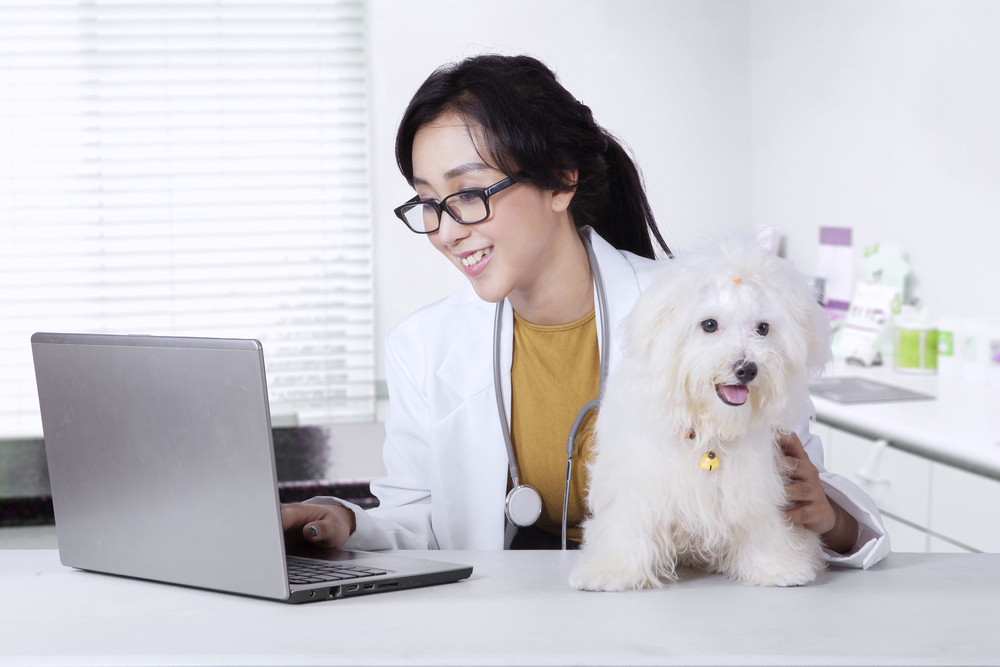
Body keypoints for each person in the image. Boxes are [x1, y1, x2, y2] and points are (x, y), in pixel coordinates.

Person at [281, 54, 889, 567]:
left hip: (685, 623)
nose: (445, 230)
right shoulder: (422, 347)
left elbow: (803, 496)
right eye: (428, 203)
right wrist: (344, 521)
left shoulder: (704, 315)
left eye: (467, 194)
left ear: (561, 181)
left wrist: (831, 518)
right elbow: (416, 524)